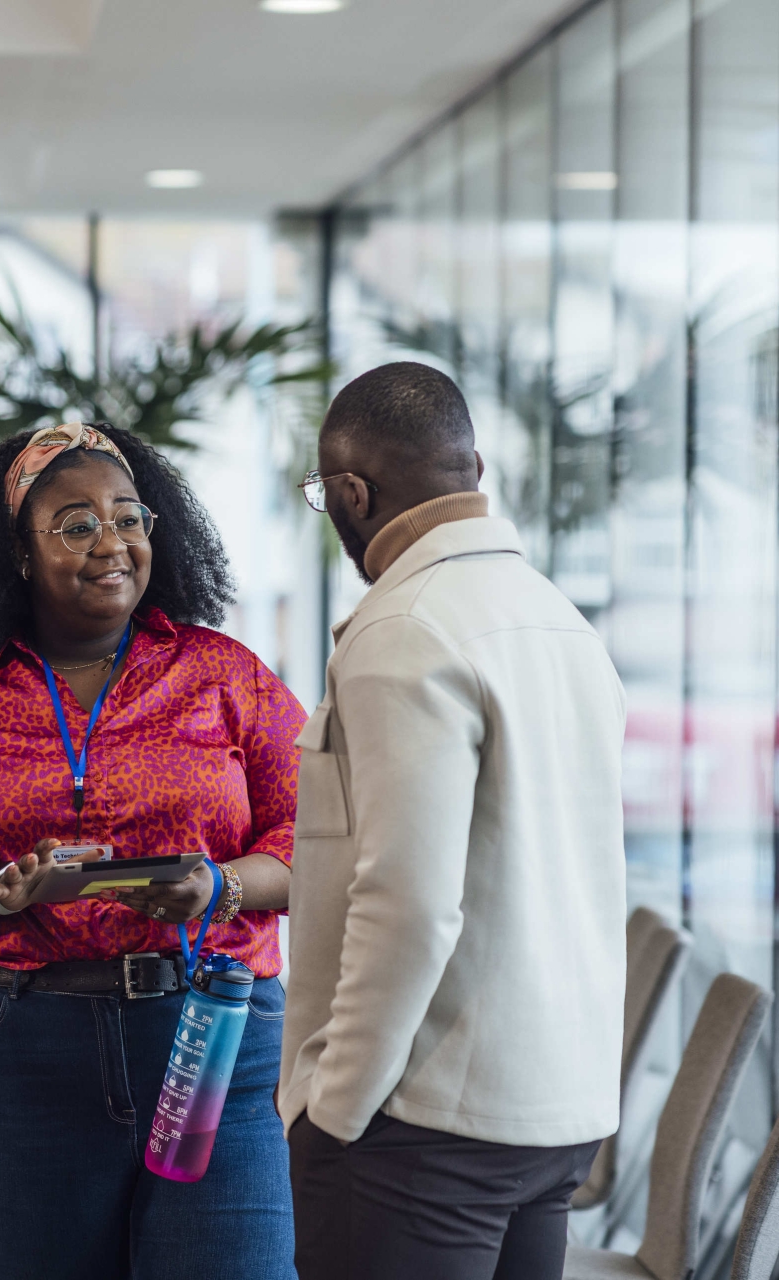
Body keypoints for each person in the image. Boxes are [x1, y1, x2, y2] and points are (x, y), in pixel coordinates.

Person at [0, 422, 305, 1280]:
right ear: (18, 554)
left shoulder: (228, 675)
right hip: (26, 1050)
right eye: (75, 523)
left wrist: (219, 886)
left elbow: (318, 838)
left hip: (211, 1030)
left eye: (128, 517)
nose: (111, 542)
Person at [281, 362, 626, 1280]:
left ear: (353, 494)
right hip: (552, 1112)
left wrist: (334, 1104)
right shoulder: (559, 620)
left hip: (423, 1123)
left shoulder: (407, 629)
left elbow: (406, 901)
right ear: (472, 469)